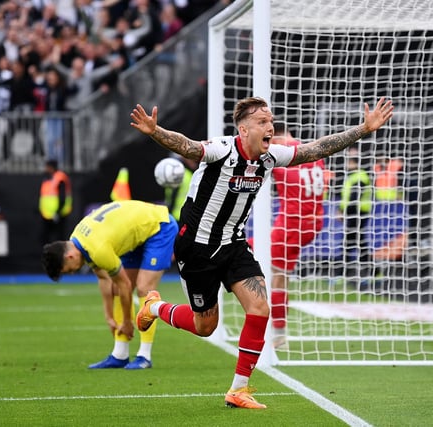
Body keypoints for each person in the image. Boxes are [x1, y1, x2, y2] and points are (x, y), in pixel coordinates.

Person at [129, 96, 393, 409]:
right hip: (197, 247)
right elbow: (188, 147)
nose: (270, 127)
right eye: (262, 122)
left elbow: (317, 148)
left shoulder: (270, 158)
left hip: (234, 243)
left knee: (259, 308)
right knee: (205, 326)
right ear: (243, 130)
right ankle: (155, 308)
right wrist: (155, 131)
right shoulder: (222, 149)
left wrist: (364, 129)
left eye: (270, 122)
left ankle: (239, 390)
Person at [41, 200, 178, 369]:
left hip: (159, 226)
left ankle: (145, 355)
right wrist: (109, 317)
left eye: (67, 270)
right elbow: (104, 279)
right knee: (116, 287)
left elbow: (125, 285)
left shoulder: (97, 249)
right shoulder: (78, 240)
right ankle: (120, 354)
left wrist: (127, 321)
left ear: (70, 257)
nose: (71, 273)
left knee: (144, 288)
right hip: (136, 233)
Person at [268, 123, 326, 350]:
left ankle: (277, 336)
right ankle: (279, 335)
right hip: (314, 223)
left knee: (268, 270)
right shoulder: (313, 153)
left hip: (291, 225)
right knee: (280, 276)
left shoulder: (281, 156)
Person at [338, 147, 374, 287]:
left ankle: (343, 274)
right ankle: (373, 272)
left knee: (350, 244)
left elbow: (354, 197)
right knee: (358, 243)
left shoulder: (360, 177)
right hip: (354, 213)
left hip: (358, 213)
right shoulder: (354, 176)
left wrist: (343, 212)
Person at [39, 159, 73, 244]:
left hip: (58, 213)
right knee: (47, 238)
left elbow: (62, 197)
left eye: (47, 167)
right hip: (47, 214)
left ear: (51, 167)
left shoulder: (60, 178)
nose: (45, 169)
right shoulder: (47, 179)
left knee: (59, 237)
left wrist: (57, 212)